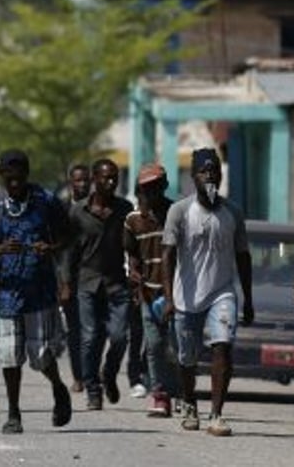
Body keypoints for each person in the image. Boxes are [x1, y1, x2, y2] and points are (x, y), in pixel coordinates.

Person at [0, 150, 72, 435]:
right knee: (9, 355)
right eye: (9, 178)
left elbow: (68, 235)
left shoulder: (46, 202)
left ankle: (58, 387)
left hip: (39, 292)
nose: (14, 183)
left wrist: (50, 247)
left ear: (27, 175)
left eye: (19, 178)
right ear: (2, 176)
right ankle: (14, 413)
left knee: (39, 356)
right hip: (7, 293)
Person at [161, 147, 253, 437]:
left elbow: (243, 256)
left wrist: (248, 298)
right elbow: (167, 255)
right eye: (204, 170)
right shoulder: (180, 211)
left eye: (214, 169)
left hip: (221, 293)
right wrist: (169, 298)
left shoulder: (233, 212)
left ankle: (216, 414)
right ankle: (189, 402)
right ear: (193, 176)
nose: (210, 174)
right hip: (187, 297)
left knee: (222, 347)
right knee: (187, 358)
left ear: (221, 174)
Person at [60, 158, 134, 411]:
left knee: (120, 336)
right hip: (87, 283)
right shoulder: (77, 212)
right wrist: (66, 283)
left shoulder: (125, 209)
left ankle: (109, 373)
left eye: (115, 177)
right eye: (106, 177)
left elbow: (132, 246)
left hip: (116, 283)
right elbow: (68, 252)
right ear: (94, 179)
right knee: (90, 337)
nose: (111, 181)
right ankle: (93, 389)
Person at [124, 162, 178, 417]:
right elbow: (132, 254)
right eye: (146, 187)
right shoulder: (133, 220)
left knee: (178, 346)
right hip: (149, 292)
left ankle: (180, 391)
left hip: (178, 294)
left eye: (156, 186)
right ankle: (159, 395)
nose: (151, 191)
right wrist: (135, 275)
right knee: (154, 345)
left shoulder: (177, 214)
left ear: (164, 186)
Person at [55, 163, 91, 394]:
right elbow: (61, 251)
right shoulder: (63, 211)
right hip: (69, 280)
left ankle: (91, 374)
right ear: (71, 183)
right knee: (76, 332)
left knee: (94, 331)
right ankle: (79, 376)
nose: (83, 184)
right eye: (78, 180)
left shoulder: (97, 209)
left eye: (86, 180)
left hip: (94, 277)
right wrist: (63, 283)